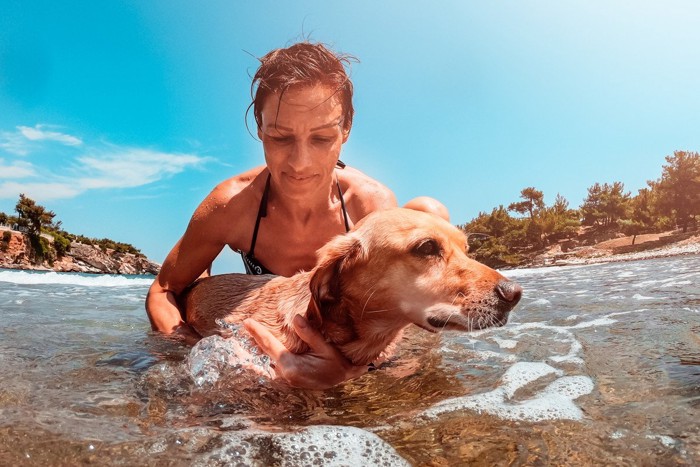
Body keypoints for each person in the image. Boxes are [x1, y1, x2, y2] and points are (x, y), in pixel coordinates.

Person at [146, 41, 448, 389]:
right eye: (280, 137)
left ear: (345, 129)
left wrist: (348, 372)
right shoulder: (232, 205)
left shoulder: (369, 207)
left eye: (321, 138)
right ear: (260, 128)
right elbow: (165, 289)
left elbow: (396, 310)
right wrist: (196, 352)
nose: (299, 163)